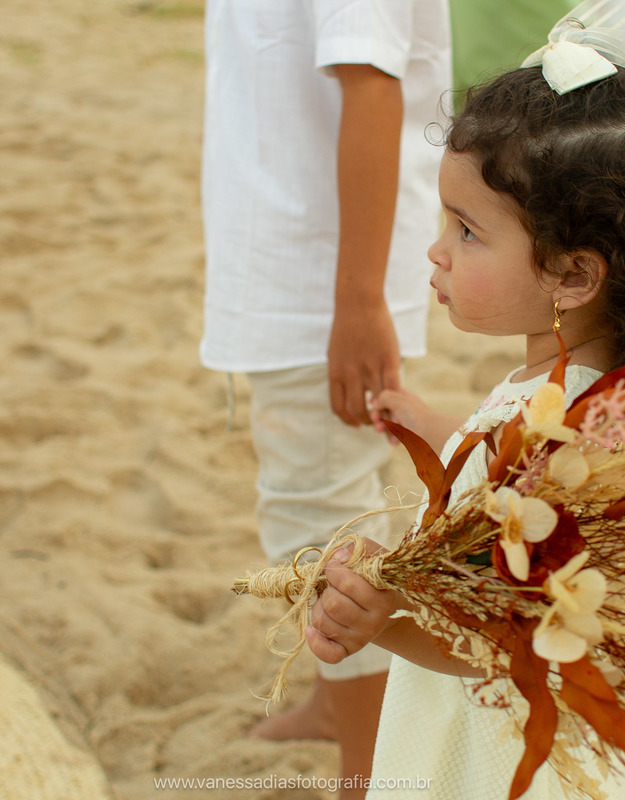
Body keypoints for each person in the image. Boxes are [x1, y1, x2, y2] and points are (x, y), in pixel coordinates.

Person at [302, 6, 625, 797]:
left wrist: (389, 623)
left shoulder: (578, 434)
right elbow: (502, 470)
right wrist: (435, 427)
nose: (437, 250)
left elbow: (512, 638)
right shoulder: (588, 394)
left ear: (572, 276)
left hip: (504, 748)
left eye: (467, 231)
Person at [199, 1, 451, 795]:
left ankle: (367, 769)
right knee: (334, 503)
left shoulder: (338, 297)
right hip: (305, 264)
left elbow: (372, 84)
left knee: (319, 519)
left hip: (320, 279)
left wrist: (357, 302)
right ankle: (336, 705)